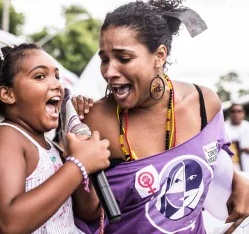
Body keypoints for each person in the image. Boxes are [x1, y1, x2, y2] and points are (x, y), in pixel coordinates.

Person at [71, 1, 249, 233]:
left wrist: (238, 181)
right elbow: (88, 213)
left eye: (123, 58)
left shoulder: (205, 104)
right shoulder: (94, 119)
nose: (109, 71)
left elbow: (216, 155)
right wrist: (75, 158)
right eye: (104, 59)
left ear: (160, 56)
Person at [0, 42, 110, 234]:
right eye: (40, 76)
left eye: (57, 76)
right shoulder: (3, 137)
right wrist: (79, 165)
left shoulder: (54, 149)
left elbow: (89, 211)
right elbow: (10, 223)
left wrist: (79, 147)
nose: (57, 85)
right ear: (8, 94)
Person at [226, 103, 249, 172]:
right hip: (233, 170)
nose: (236, 114)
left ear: (243, 113)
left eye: (239, 111)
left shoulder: (247, 126)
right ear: (229, 114)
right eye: (233, 111)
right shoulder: (223, 128)